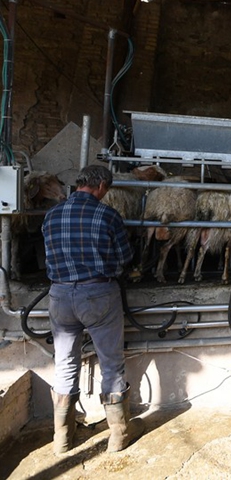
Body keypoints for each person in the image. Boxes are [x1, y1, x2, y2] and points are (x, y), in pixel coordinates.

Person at [42, 165, 144, 454]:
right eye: (106, 190)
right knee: (111, 363)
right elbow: (124, 256)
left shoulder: (52, 215)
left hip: (60, 294)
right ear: (101, 186)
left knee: (65, 363)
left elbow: (48, 253)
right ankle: (118, 435)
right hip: (98, 294)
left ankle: (62, 438)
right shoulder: (107, 215)